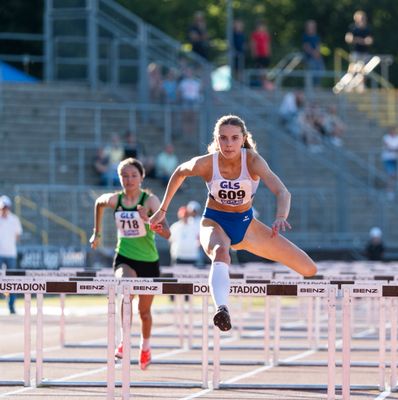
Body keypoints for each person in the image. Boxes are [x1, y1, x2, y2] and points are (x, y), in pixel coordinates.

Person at [148, 115, 318, 331]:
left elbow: (282, 191)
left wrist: (281, 217)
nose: (228, 144)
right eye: (223, 138)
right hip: (214, 221)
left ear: (243, 139)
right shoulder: (208, 163)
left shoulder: (253, 161)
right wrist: (163, 210)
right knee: (221, 252)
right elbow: (180, 171)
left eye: (234, 138)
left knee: (309, 268)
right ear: (216, 140)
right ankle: (222, 309)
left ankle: (223, 305)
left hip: (246, 225)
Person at [89, 158, 171, 370]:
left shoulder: (151, 201)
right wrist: (96, 233)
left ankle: (145, 347)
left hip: (149, 262)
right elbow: (99, 202)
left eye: (133, 175)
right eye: (124, 176)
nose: (129, 179)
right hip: (124, 257)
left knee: (144, 312)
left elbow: (167, 233)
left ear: (142, 177)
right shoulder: (116, 200)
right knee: (125, 292)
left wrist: (148, 220)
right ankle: (125, 340)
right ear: (119, 178)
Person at [0, 196, 22, 314]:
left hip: (10, 253)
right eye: (3, 208)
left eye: (6, 208)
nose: (4, 210)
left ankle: (11, 306)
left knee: (12, 281)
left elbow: (18, 236)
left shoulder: (14, 220)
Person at [344, 10, 373, 92]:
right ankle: (349, 85)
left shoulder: (367, 28)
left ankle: (361, 86)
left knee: (364, 70)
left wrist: (357, 40)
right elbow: (348, 38)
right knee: (352, 68)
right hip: (355, 52)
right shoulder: (352, 27)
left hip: (365, 53)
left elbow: (369, 41)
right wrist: (362, 41)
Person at [302, 20, 325, 87]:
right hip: (309, 58)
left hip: (317, 57)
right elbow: (306, 46)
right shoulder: (305, 36)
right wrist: (313, 53)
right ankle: (311, 86)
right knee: (312, 71)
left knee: (321, 70)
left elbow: (318, 46)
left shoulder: (316, 36)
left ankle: (317, 86)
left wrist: (317, 53)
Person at [381, 126, 398, 198]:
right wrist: (394, 149)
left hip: (396, 159)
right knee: (391, 175)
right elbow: (388, 147)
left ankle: (393, 190)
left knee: (395, 176)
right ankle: (390, 191)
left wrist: (393, 149)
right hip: (388, 159)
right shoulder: (386, 137)